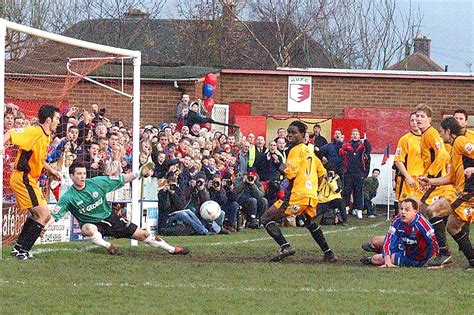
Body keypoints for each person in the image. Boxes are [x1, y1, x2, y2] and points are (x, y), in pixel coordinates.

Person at [49, 161, 189, 255]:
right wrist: (44, 227)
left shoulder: (97, 182)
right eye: (79, 174)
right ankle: (109, 246)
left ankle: (172, 249)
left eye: (84, 173)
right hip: (92, 224)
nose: (82, 177)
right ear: (72, 176)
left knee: (144, 235)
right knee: (87, 229)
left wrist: (138, 173)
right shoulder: (68, 196)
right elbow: (55, 215)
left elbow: (121, 179)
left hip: (110, 218)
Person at [260, 121, 337, 263]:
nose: (290, 135)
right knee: (309, 222)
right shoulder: (310, 152)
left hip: (296, 195)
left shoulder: (296, 150)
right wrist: (313, 189)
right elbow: (321, 173)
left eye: (293, 132)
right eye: (288, 132)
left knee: (266, 218)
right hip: (309, 195)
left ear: (302, 134)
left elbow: (290, 173)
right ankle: (329, 253)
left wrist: (279, 164)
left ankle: (285, 246)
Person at [2, 104, 62, 260]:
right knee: (44, 214)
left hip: (28, 179)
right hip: (23, 177)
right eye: (57, 119)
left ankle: (19, 248)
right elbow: (10, 132)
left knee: (37, 215)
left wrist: (52, 171)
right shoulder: (34, 131)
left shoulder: (46, 136)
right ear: (49, 119)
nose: (58, 122)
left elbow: (40, 160)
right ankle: (23, 252)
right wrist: (2, 145)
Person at [418, 117, 473, 269]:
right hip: (462, 193)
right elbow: (451, 178)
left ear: (449, 131)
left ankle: (444, 253)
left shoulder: (461, 141)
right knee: (452, 227)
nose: (440, 135)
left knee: (432, 210)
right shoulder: (454, 149)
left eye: (442, 132)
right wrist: (429, 181)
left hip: (469, 194)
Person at [414, 104, 457, 266]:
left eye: (422, 116)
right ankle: (440, 250)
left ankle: (442, 251)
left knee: (422, 210)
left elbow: (441, 155)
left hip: (435, 182)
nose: (418, 119)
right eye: (417, 116)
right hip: (433, 180)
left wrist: (431, 177)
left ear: (430, 119)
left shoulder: (431, 134)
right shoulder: (426, 135)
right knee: (426, 213)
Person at [360, 198, 438, 267]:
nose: (403, 212)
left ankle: (371, 258)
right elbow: (389, 240)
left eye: (407, 210)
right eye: (401, 209)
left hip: (415, 257)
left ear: (415, 211)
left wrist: (436, 261)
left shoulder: (422, 224)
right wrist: (387, 262)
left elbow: (435, 241)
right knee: (375, 240)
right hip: (404, 245)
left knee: (376, 259)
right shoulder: (397, 220)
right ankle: (380, 250)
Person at [393, 112, 424, 215]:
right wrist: (408, 177)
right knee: (403, 210)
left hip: (423, 180)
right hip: (408, 180)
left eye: (417, 120)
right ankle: (399, 230)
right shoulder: (405, 139)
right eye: (412, 120)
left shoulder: (429, 138)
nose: (415, 123)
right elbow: (398, 161)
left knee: (421, 210)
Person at [340, 128, 372, 219]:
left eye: (356, 134)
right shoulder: (346, 145)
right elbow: (341, 155)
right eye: (353, 134)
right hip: (348, 173)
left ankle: (359, 210)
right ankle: (345, 208)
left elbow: (368, 150)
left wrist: (365, 140)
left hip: (359, 173)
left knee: (358, 191)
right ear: (351, 136)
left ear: (359, 136)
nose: (355, 136)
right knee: (346, 191)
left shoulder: (362, 146)